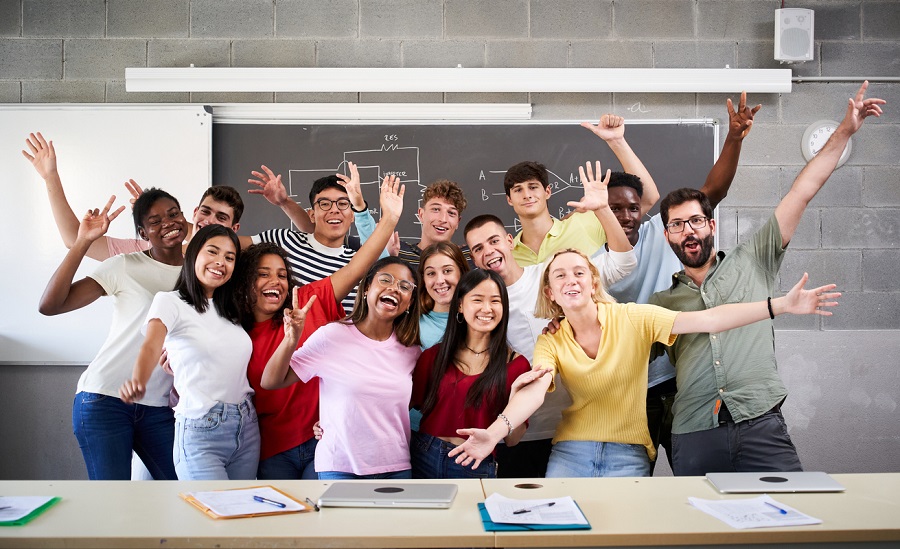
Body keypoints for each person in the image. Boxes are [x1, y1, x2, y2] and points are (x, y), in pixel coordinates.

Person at [649, 82, 885, 476]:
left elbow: (803, 190)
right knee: (701, 534)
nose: (688, 231)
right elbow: (617, 352)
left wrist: (844, 130)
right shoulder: (661, 304)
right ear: (667, 235)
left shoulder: (753, 258)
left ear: (710, 225)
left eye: (694, 221)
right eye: (676, 224)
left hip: (760, 422)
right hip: (693, 431)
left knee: (790, 523)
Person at [448, 248, 839, 477]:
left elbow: (709, 319)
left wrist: (780, 306)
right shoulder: (552, 338)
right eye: (560, 275)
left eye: (579, 272)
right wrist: (496, 432)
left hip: (628, 453)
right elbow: (534, 389)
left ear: (593, 281)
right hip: (570, 453)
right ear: (550, 292)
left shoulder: (633, 318)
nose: (572, 279)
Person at [589, 92, 760, 471]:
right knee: (633, 477)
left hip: (679, 380)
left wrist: (733, 139)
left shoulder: (663, 232)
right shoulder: (592, 264)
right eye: (613, 208)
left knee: (698, 474)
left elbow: (712, 192)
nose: (625, 216)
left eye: (632, 208)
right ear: (598, 210)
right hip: (628, 389)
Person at [463, 160, 637, 478]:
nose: (488, 251)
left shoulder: (549, 274)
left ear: (508, 239)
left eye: (493, 241)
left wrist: (602, 210)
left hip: (577, 427)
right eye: (477, 249)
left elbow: (622, 263)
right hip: (521, 432)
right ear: (473, 259)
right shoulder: (481, 307)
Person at [236, 175, 405, 480]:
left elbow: (359, 267)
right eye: (262, 275)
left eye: (281, 275)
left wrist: (389, 219)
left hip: (323, 436)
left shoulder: (311, 301)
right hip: (270, 445)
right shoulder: (234, 329)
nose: (274, 281)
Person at [38, 190, 186, 480]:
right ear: (143, 232)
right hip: (105, 399)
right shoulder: (125, 265)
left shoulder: (199, 272)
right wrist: (82, 242)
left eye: (173, 214)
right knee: (113, 503)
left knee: (183, 489)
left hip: (157, 406)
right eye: (154, 221)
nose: (168, 223)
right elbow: (50, 305)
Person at [261, 254, 422, 480]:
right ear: (367, 288)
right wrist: (291, 339)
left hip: (396, 468)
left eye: (405, 286)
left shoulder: (411, 351)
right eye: (385, 280)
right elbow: (271, 381)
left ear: (410, 302)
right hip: (341, 467)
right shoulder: (332, 335)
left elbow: (401, 406)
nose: (395, 288)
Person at [119, 224, 258, 481]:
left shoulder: (233, 308)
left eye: (229, 257)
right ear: (193, 254)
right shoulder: (170, 301)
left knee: (243, 514)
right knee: (212, 515)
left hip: (246, 426)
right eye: (213, 252)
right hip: (201, 427)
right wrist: (139, 379)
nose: (220, 262)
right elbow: (151, 343)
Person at [23, 131, 244, 261]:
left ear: (234, 229)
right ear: (195, 212)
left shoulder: (234, 263)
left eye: (222, 218)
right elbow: (74, 240)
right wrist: (51, 177)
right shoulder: (149, 253)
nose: (210, 220)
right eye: (205, 212)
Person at [410, 269, 531, 479]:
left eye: (495, 301)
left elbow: (513, 440)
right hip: (424, 455)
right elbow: (410, 407)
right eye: (477, 299)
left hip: (474, 462)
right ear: (460, 305)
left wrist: (514, 400)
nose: (487, 308)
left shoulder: (517, 366)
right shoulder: (433, 357)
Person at [505, 114, 658, 267]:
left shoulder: (586, 223)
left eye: (533, 187)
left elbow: (647, 198)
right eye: (518, 190)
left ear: (548, 191)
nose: (527, 195)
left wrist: (616, 141)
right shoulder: (508, 254)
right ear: (509, 199)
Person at [244, 165, 360, 312]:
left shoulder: (359, 264)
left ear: (352, 215)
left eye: (343, 204)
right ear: (311, 215)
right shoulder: (284, 240)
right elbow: (230, 246)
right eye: (324, 204)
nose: (334, 209)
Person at [354, 174, 474, 270]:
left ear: (458, 222)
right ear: (421, 215)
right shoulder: (398, 251)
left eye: (451, 213)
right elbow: (370, 255)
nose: (443, 219)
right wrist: (389, 259)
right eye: (436, 209)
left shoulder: (469, 258)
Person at [417, 242, 471, 350]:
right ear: (424, 279)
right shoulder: (412, 324)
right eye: (431, 273)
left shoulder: (478, 318)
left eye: (447, 271)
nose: (440, 281)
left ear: (462, 272)